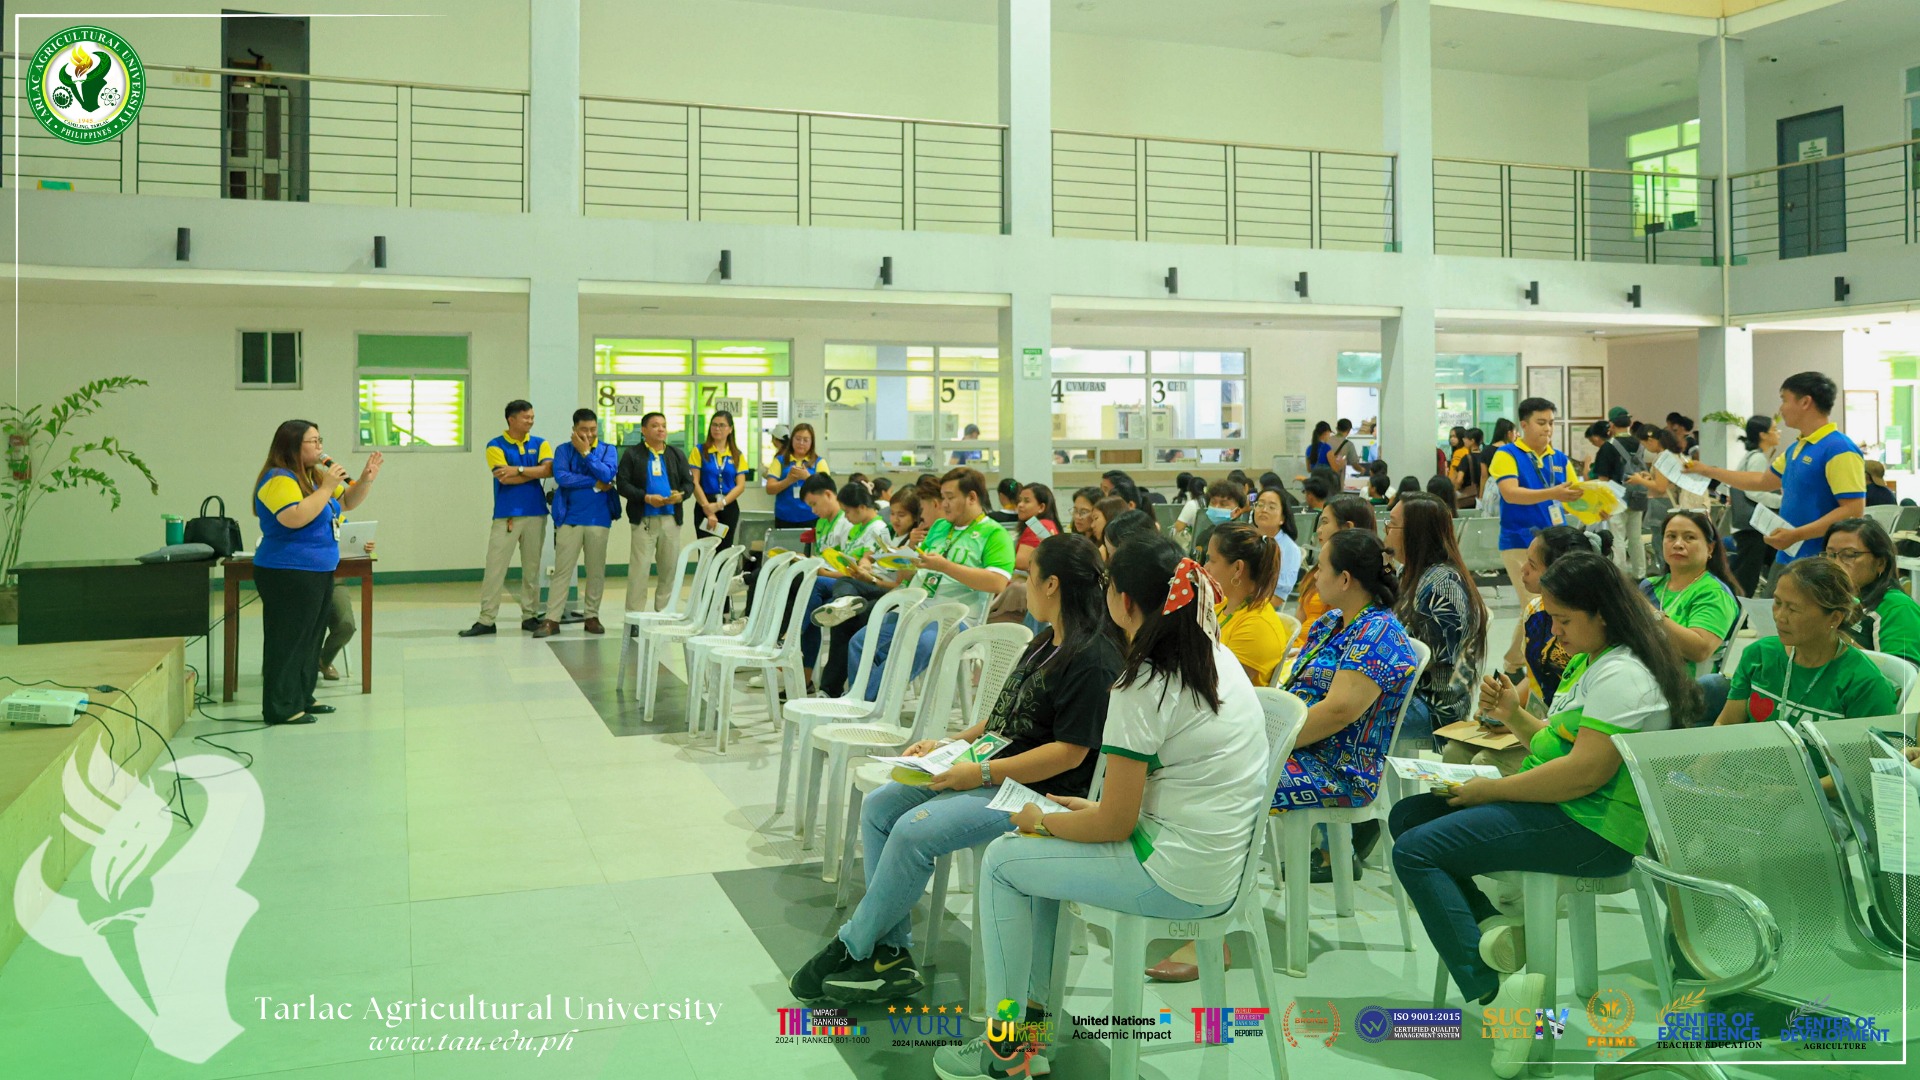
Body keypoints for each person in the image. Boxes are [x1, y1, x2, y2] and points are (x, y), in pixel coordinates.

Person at [932, 535, 1268, 1077]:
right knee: (1033, 862)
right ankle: (1033, 1032)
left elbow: (1116, 822)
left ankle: (1004, 1048)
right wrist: (1071, 820)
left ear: (1125, 602)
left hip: (1172, 872)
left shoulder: (1142, 683)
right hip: (1217, 862)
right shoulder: (1212, 653)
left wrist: (1045, 821)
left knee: (1002, 862)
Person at [1393, 549, 1697, 1080]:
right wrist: (1513, 714)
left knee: (1416, 851)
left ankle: (1496, 995)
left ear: (1602, 614)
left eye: (1563, 620)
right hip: (1565, 808)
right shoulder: (1593, 660)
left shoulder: (1625, 676)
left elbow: (1584, 773)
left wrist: (1494, 791)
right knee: (1410, 817)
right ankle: (1495, 935)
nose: (1554, 632)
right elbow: (1560, 746)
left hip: (1593, 829)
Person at [790, 533, 1121, 1011]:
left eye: (1029, 577)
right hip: (990, 766)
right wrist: (951, 744)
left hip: (1032, 790)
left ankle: (852, 943)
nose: (1023, 586)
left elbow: (1069, 754)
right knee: (881, 806)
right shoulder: (1046, 640)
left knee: (912, 831)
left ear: (1052, 584)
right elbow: (1004, 717)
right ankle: (891, 954)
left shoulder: (1093, 657)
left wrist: (981, 773)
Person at [1272, 528, 1420, 884]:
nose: (1314, 576)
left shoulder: (1379, 634)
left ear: (1345, 579)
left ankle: (1218, 893)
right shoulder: (1331, 622)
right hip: (1303, 749)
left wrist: (1270, 742)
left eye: (1321, 567)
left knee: (1232, 778)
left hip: (1339, 769)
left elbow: (1338, 712)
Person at [1686, 371, 1865, 596]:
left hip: (1819, 561)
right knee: (1774, 614)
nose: (1781, 408)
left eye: (1784, 400)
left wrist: (1797, 534)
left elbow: (1853, 510)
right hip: (1789, 554)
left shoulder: (1839, 448)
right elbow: (1762, 481)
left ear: (1805, 402)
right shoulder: (1796, 448)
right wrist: (1708, 470)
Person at [251, 420, 382, 725]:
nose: (321, 446)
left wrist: (365, 480)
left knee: (310, 639)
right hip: (287, 571)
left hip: (318, 570)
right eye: (313, 441)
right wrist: (325, 488)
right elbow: (294, 517)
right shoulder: (278, 479)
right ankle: (281, 707)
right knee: (289, 639)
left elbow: (347, 501)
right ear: (293, 446)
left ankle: (302, 696)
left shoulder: (313, 476)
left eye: (320, 439)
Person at [848, 468, 1015, 702]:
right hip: (916, 609)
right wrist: (903, 560)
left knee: (919, 643)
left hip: (957, 618)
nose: (943, 504)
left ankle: (862, 704)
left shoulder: (995, 534)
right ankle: (867, 703)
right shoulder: (939, 527)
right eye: (943, 497)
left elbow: (997, 582)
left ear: (972, 497)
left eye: (950, 497)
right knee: (861, 641)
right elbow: (916, 569)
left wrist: (946, 567)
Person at [1448, 526, 1595, 778]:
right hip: (1539, 721)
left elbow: (1579, 714)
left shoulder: (1589, 627)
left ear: (1560, 571)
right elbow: (1537, 678)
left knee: (1484, 763)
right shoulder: (1535, 612)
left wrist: (1515, 719)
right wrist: (1502, 705)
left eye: (1532, 565)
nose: (1522, 570)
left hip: (1569, 734)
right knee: (1455, 751)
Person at [1714, 556, 1897, 726]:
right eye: (1777, 602)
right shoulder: (1759, 654)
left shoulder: (1865, 684)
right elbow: (1726, 725)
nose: (1780, 617)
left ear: (1834, 618)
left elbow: (1870, 750)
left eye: (1793, 609)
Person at [1387, 493, 1488, 751]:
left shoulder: (1443, 587)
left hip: (1434, 708)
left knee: (1350, 716)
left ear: (1414, 534)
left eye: (1392, 524)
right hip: (1408, 693)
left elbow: (1433, 669)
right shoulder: (1409, 573)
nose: (1386, 532)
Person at [813, 490, 924, 698]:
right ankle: (843, 603)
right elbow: (868, 556)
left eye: (902, 515)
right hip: (873, 584)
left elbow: (900, 586)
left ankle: (834, 690)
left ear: (915, 517)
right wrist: (864, 566)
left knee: (847, 619)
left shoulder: (915, 542)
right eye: (893, 513)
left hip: (890, 592)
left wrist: (871, 580)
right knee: (846, 585)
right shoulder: (888, 532)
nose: (895, 519)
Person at [462, 400, 553, 637]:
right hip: (507, 515)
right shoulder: (495, 445)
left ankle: (530, 616)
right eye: (526, 417)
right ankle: (487, 619)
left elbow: (548, 470)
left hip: (536, 513)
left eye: (532, 417)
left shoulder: (540, 443)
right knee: (495, 568)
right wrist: (531, 472)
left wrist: (518, 469)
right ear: (511, 419)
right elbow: (504, 477)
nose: (531, 421)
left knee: (532, 569)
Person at [1489, 396, 1578, 625]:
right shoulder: (1507, 454)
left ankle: (1522, 650)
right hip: (1520, 541)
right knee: (1535, 605)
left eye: (1551, 423)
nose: (1548, 428)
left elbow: (1573, 499)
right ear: (1524, 425)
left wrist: (1598, 508)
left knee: (1544, 606)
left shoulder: (1559, 458)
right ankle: (1534, 649)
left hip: (1555, 544)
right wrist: (1552, 493)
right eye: (1541, 422)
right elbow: (1510, 493)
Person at [535, 408, 620, 638]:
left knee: (595, 570)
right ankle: (552, 619)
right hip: (569, 519)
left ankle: (592, 616)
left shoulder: (608, 450)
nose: (589, 434)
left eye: (593, 429)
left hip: (598, 519)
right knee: (562, 571)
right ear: (574, 430)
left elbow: (607, 474)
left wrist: (586, 453)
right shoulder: (563, 450)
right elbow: (563, 477)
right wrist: (593, 482)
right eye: (584, 430)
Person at [1643, 509, 1740, 681]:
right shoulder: (1649, 586)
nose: (1678, 544)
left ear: (1710, 548)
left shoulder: (1714, 593)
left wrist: (1649, 612)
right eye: (1671, 536)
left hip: (1682, 688)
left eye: (1689, 538)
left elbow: (1700, 650)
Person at [616, 411, 693, 615]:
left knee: (669, 569)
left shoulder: (676, 454)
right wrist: (646, 497)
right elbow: (622, 484)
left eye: (663, 426)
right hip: (644, 519)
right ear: (643, 430)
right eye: (655, 425)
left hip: (670, 519)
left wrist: (681, 495)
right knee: (639, 570)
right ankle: (635, 616)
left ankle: (664, 613)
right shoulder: (633, 454)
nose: (661, 429)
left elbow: (689, 483)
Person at [1824, 517, 1920, 668]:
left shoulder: (1897, 607)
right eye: (1830, 555)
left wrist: (1840, 641)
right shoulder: (1829, 599)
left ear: (1880, 562)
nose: (1835, 564)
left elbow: (1904, 675)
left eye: (1849, 555)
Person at [1291, 494, 1377, 653]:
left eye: (1325, 522)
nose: (1319, 530)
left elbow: (1339, 641)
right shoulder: (1318, 571)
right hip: (1300, 650)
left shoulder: (1354, 582)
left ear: (1347, 528)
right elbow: (1297, 622)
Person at [1724, 415, 1782, 596]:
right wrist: (1781, 501)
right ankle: (1736, 610)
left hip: (1749, 526)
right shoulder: (1757, 458)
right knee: (1746, 579)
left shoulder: (1751, 456)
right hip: (1753, 527)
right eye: (1774, 429)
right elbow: (1754, 492)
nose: (1778, 433)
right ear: (1763, 435)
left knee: (1747, 574)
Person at [1589, 407, 1648, 579]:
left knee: (1618, 538)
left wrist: (1602, 503)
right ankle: (1640, 575)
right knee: (1636, 538)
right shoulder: (1640, 445)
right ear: (1629, 423)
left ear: (1612, 425)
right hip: (1638, 496)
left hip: (1616, 497)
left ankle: (1620, 576)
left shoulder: (1608, 446)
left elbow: (1603, 478)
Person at [691, 409, 747, 552]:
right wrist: (709, 510)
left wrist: (720, 504)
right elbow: (694, 482)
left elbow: (740, 486)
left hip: (728, 504)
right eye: (714, 425)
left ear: (730, 429)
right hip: (705, 504)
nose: (717, 429)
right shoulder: (699, 450)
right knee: (706, 551)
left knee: (725, 550)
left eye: (722, 425)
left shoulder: (737, 454)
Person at [318, 538, 373, 681]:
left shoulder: (339, 522)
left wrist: (363, 547)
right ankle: (298, 664)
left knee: (346, 625)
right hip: (301, 577)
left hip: (334, 580)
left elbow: (351, 540)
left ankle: (322, 660)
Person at [767, 422, 828, 528]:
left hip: (812, 516)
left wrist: (808, 478)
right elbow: (769, 489)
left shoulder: (819, 462)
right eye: (798, 439)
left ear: (812, 442)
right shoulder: (780, 461)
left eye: (805, 440)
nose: (801, 443)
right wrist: (788, 481)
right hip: (784, 517)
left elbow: (827, 491)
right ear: (792, 440)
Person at [1250, 485, 1303, 601]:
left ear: (1282, 518)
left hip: (1261, 605)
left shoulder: (1289, 549)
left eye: (1271, 507)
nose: (1264, 510)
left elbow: (1278, 597)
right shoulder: (1247, 538)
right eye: (1260, 505)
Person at [1013, 482, 1061, 573]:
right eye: (1019, 500)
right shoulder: (1046, 524)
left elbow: (1021, 563)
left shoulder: (1039, 526)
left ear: (1041, 507)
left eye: (1026, 501)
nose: (1020, 505)